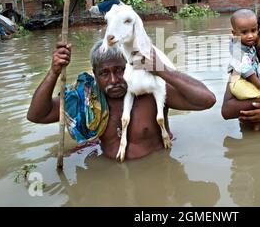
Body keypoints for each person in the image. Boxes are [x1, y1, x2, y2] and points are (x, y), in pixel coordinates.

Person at [27, 39, 216, 160]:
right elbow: (37, 115)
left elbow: (207, 100)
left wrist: (161, 70)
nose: (114, 80)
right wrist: (54, 72)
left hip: (155, 173)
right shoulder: (87, 100)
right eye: (104, 73)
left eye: (120, 70)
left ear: (132, 67)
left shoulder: (150, 90)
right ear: (95, 74)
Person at [228, 9, 260, 100]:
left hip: (249, 78)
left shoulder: (247, 43)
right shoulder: (237, 50)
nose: (250, 36)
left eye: (253, 30)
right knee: (258, 94)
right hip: (239, 81)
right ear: (234, 34)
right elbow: (245, 69)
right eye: (244, 32)